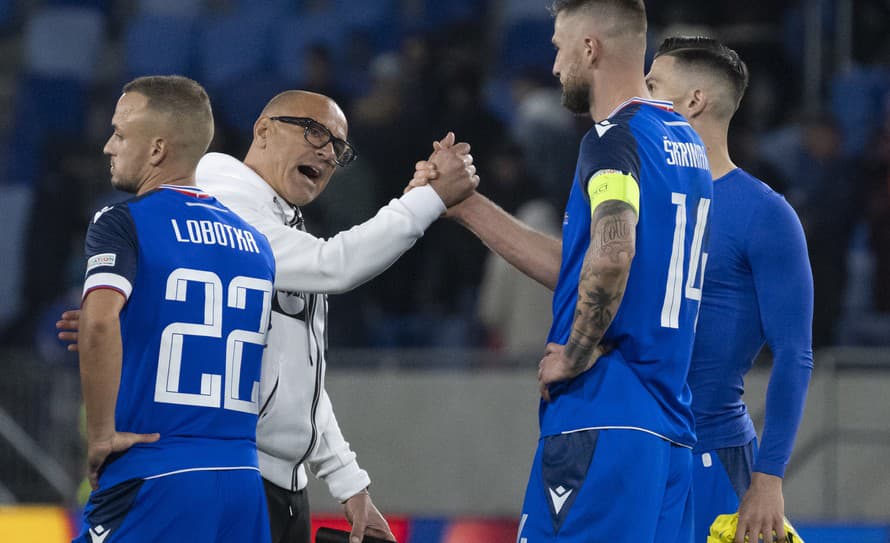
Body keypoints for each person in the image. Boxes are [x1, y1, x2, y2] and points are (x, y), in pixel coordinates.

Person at [61, 90, 479, 543]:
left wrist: (348, 482)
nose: (327, 151)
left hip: (264, 486)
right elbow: (335, 264)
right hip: (222, 469)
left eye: (338, 146)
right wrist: (428, 200)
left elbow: (298, 372)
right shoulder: (227, 207)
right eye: (314, 131)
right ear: (262, 130)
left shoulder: (274, 227)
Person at [412, 1, 711, 540]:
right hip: (667, 433)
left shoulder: (610, 140)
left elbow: (613, 252)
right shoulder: (685, 142)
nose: (554, 66)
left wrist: (573, 354)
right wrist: (464, 205)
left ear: (590, 48)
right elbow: (590, 264)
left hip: (602, 418)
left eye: (558, 46)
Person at [74, 75, 275, 542]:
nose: (108, 146)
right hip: (243, 481)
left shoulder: (123, 223)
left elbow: (99, 323)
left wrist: (101, 435)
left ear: (157, 149)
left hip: (158, 477)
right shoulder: (257, 244)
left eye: (121, 134)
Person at [646, 36, 814, 543]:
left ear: (693, 101)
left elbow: (794, 354)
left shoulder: (764, 215)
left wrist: (769, 476)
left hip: (713, 460)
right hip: (636, 446)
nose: (636, 99)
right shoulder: (640, 200)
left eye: (652, 86)